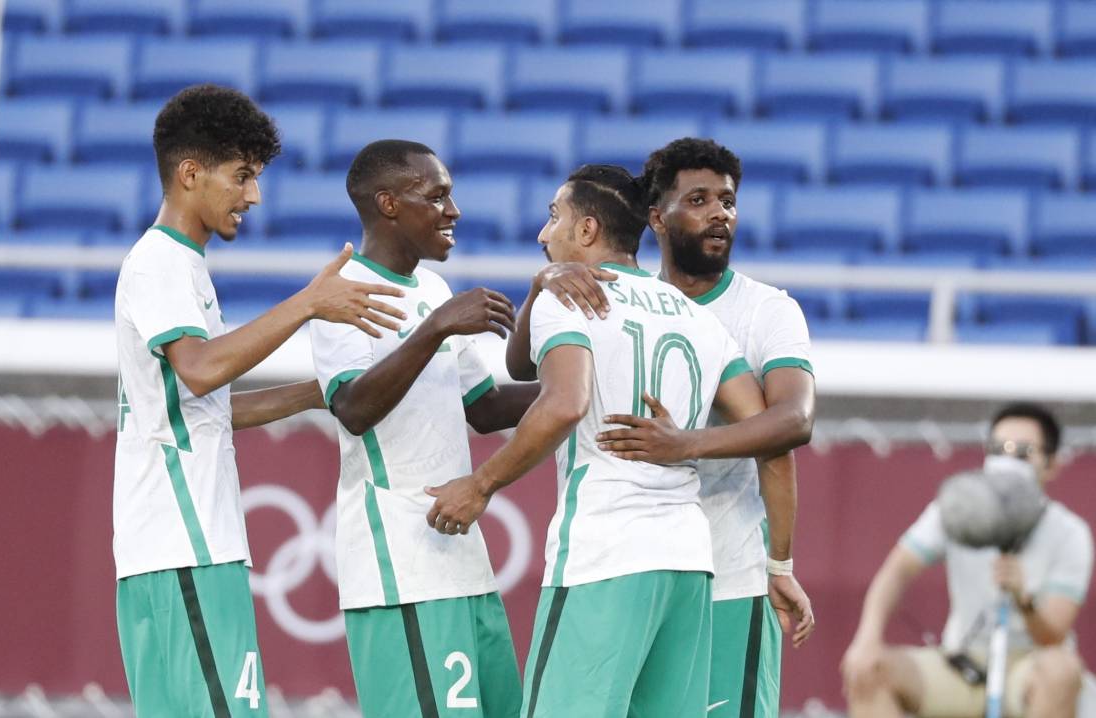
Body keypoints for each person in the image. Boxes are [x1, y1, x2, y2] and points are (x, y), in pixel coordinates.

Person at [426, 164, 781, 717]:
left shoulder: (573, 300)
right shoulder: (701, 319)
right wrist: (686, 442)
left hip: (607, 552)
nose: (544, 234)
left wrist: (481, 484)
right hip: (689, 561)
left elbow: (564, 402)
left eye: (554, 217)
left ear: (586, 230)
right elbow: (761, 424)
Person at [112, 85, 406, 716]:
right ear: (190, 174)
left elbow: (206, 406)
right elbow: (200, 371)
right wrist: (308, 304)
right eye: (241, 176)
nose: (254, 196)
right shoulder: (161, 264)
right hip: (187, 546)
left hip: (164, 552)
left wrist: (318, 393)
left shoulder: (177, 264)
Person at [506, 139, 817, 717]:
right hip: (675, 566)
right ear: (656, 218)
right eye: (698, 200)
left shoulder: (767, 310)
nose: (719, 213)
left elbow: (791, 426)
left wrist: (779, 563)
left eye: (727, 200)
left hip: (728, 576)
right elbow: (536, 375)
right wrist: (543, 286)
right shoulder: (611, 294)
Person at [310, 139, 537, 718]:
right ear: (388, 203)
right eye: (436, 197)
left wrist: (577, 388)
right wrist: (435, 329)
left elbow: (483, 408)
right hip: (400, 570)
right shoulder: (341, 294)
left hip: (462, 559)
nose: (453, 211)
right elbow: (354, 410)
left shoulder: (433, 290)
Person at [841, 403, 1092, 718]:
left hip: (1030, 666)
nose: (1007, 461)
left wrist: (1022, 597)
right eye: (998, 449)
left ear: (1052, 464)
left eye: (1022, 451)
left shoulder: (1071, 533)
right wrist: (867, 638)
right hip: (963, 661)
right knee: (870, 669)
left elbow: (1052, 635)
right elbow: (898, 569)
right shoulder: (958, 508)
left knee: (1060, 669)